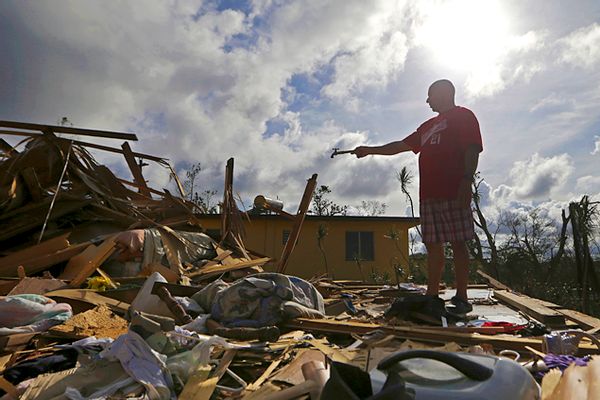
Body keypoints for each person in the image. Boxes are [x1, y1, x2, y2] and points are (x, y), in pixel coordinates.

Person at [353, 79, 483, 316]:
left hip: (454, 189)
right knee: (433, 244)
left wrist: (466, 180)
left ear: (443, 94)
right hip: (429, 194)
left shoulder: (464, 116)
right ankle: (432, 295)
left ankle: (462, 296)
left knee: (458, 242)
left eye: (430, 95)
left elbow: (472, 148)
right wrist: (370, 150)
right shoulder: (427, 126)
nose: (427, 101)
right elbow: (401, 145)